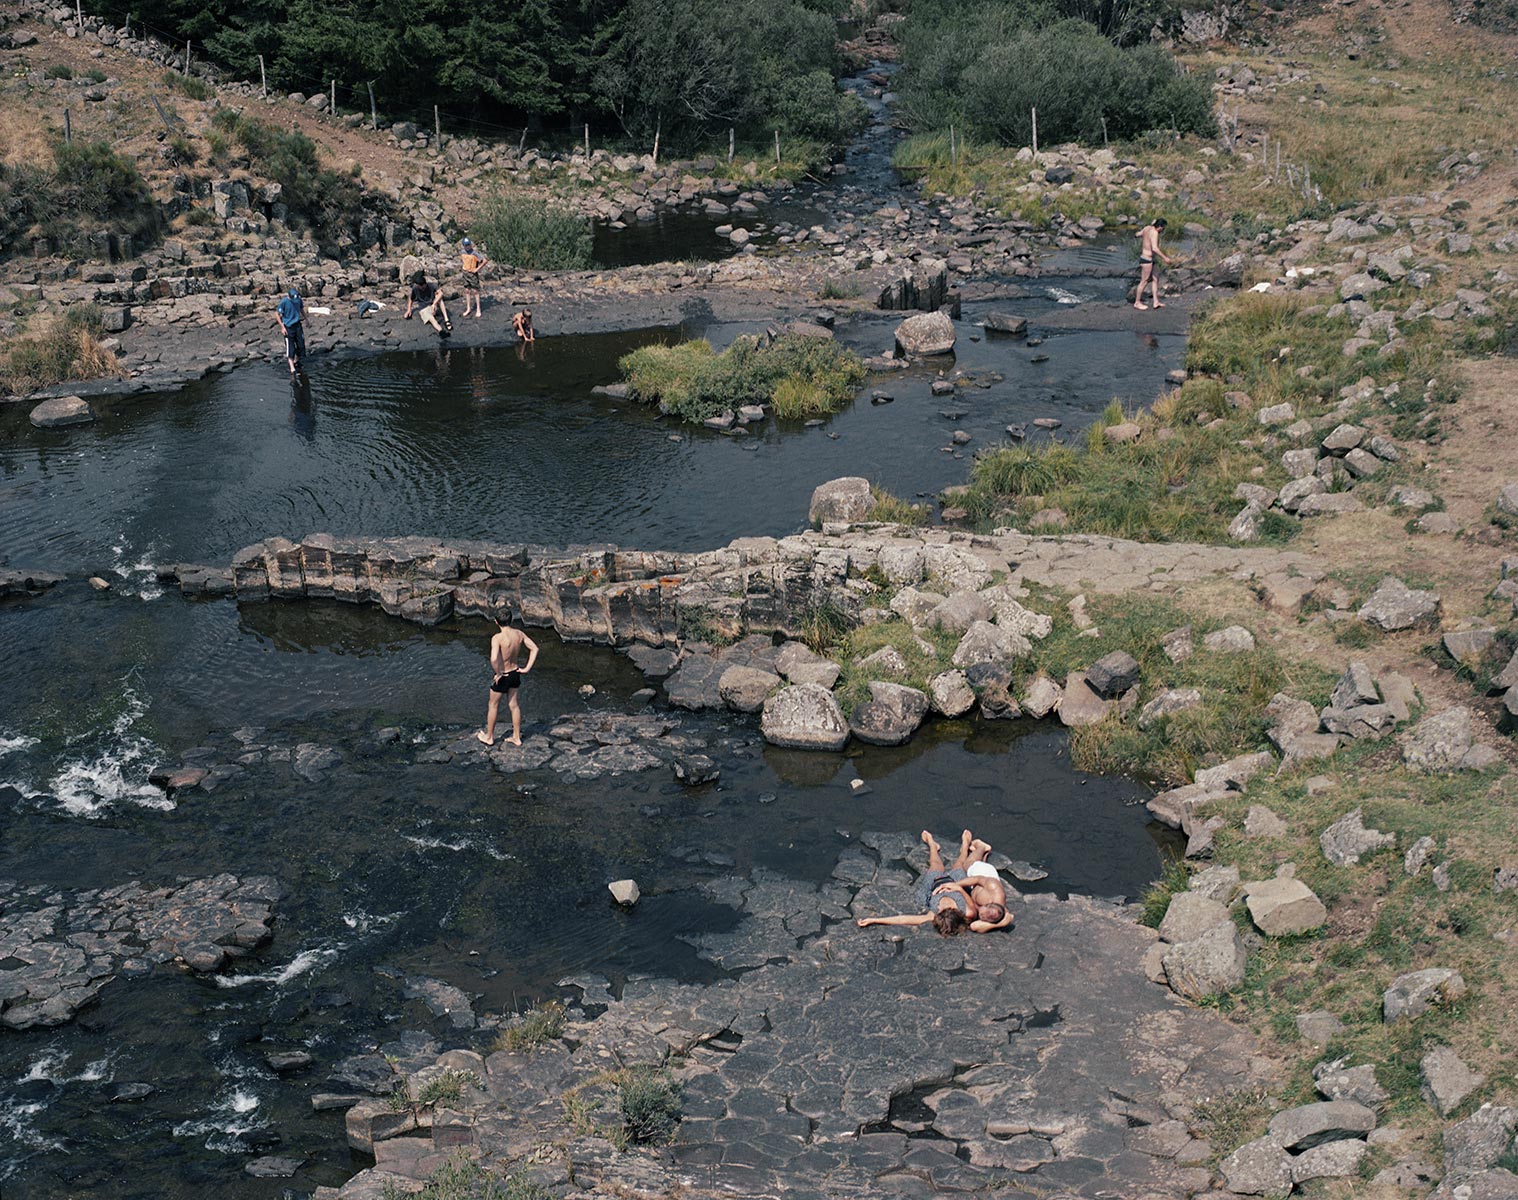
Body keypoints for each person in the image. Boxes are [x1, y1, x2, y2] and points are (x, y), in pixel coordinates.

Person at [477, 614, 539, 747]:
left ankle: (489, 737)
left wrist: (498, 673)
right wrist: (526, 668)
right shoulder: (519, 634)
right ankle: (516, 737)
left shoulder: (497, 638)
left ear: (496, 621)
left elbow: (493, 659)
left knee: (493, 705)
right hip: (515, 673)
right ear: (511, 620)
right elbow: (534, 648)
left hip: (503, 676)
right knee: (514, 705)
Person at [1134, 217, 1174, 312]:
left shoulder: (1147, 228)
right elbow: (1155, 248)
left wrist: (1138, 234)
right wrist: (1165, 258)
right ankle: (1137, 302)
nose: (1163, 230)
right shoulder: (1154, 233)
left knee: (1156, 279)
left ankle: (1156, 301)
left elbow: (1138, 234)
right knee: (1144, 281)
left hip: (1152, 259)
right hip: (1146, 259)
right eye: (1163, 228)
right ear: (1160, 226)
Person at [406, 271, 452, 336]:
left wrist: (434, 304)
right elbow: (411, 299)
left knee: (439, 298)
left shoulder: (431, 285)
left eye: (423, 287)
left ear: (425, 284)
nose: (421, 288)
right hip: (424, 308)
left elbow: (441, 293)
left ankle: (446, 319)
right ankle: (441, 331)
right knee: (431, 319)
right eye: (420, 287)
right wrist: (409, 310)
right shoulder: (415, 288)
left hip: (432, 305)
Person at [275, 286, 308, 374]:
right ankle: (292, 367)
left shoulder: (298, 300)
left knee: (300, 344)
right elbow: (277, 314)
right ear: (289, 297)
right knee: (290, 347)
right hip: (288, 327)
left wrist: (306, 319)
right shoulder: (284, 302)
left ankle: (296, 360)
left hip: (297, 325)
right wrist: (282, 327)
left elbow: (301, 309)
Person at [459, 238, 488, 318]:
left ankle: (478, 308)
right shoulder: (462, 252)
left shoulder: (474, 253)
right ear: (463, 246)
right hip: (465, 273)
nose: (467, 246)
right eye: (466, 245)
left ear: (470, 244)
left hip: (472, 274)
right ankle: (468, 308)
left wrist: (477, 269)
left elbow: (484, 261)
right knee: (467, 290)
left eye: (468, 244)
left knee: (475, 291)